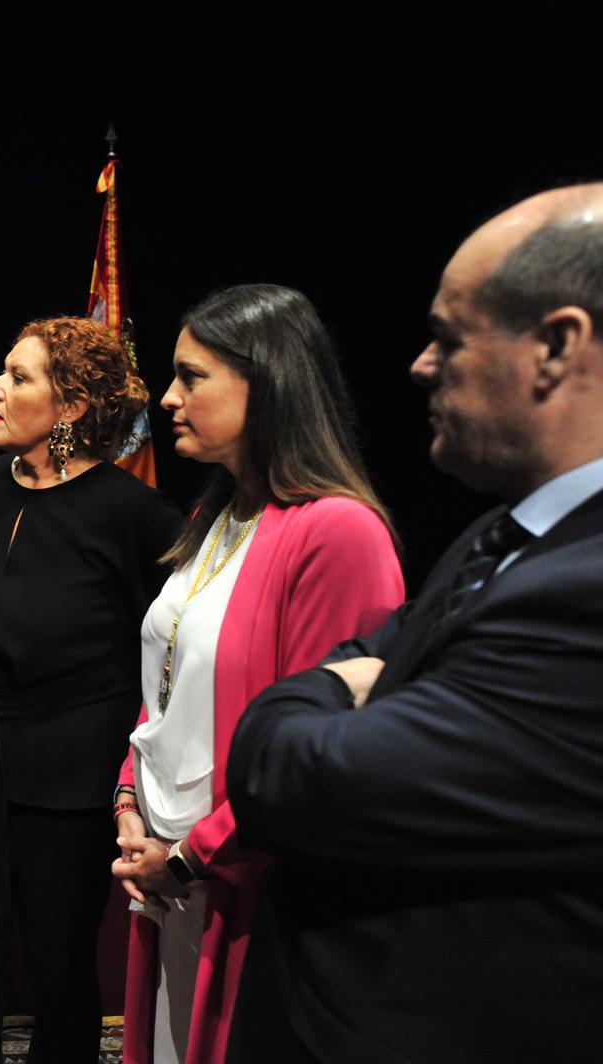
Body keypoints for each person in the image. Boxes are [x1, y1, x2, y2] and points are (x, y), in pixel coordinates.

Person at [226, 188, 603, 1063]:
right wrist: (349, 681)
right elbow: (373, 654)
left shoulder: (584, 592)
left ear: (556, 346)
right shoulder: (502, 531)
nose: (421, 366)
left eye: (452, 337)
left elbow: (298, 780)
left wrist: (309, 695)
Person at [110, 285, 404, 1064]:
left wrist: (191, 854)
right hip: (170, 875)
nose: (168, 397)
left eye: (191, 376)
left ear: (266, 380)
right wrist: (131, 803)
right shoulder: (213, 516)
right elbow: (165, 689)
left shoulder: (338, 532)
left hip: (247, 891)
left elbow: (322, 752)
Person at [0, 316, 180, 1063]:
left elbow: (167, 665)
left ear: (71, 409)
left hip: (69, 780)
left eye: (18, 377)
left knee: (59, 969)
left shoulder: (137, 517)